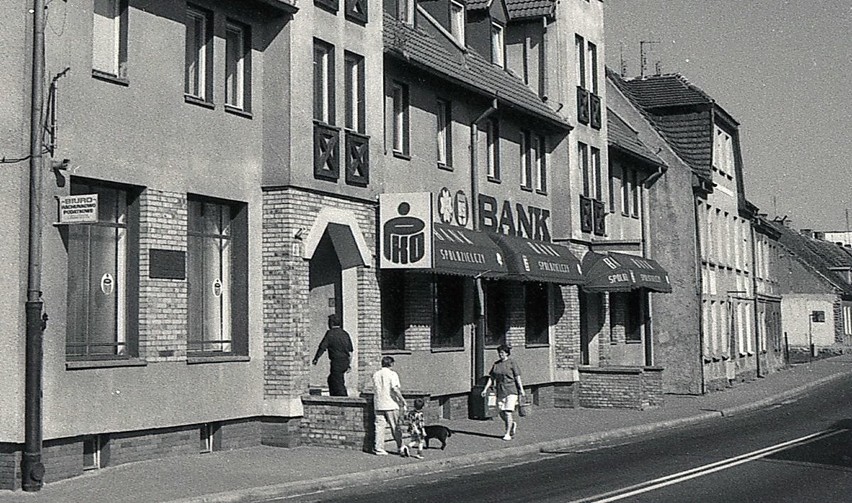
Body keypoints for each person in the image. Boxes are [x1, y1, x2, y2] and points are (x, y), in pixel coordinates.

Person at [481, 344, 524, 441]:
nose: (501, 355)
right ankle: (512, 424)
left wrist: (521, 390)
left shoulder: (512, 363)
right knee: (501, 412)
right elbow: (492, 378)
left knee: (508, 412)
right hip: (500, 390)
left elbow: (517, 377)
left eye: (502, 353)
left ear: (507, 353)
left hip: (511, 390)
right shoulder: (496, 364)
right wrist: (485, 389)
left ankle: (507, 433)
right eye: (499, 353)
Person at [372, 356, 408, 456]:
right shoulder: (392, 374)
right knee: (395, 427)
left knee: (379, 427)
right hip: (391, 404)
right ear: (391, 364)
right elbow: (395, 389)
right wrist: (403, 401)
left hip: (379, 403)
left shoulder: (376, 374)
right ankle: (400, 447)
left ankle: (379, 448)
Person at [312, 314, 353, 397]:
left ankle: (343, 400)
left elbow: (322, 347)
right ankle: (334, 397)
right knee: (332, 379)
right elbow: (351, 351)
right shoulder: (345, 334)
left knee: (338, 382)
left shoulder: (330, 333)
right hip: (345, 361)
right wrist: (349, 364)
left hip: (336, 361)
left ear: (331, 323)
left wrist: (316, 358)